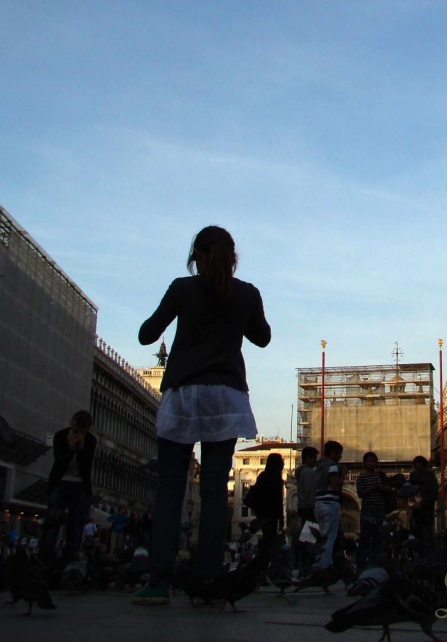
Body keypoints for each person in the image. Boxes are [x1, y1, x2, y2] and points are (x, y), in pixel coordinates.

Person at [132, 225, 271, 605]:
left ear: (197, 256)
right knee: (212, 491)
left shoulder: (182, 288)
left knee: (171, 488)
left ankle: (158, 581)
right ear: (234, 257)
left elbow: (147, 335)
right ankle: (208, 580)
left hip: (184, 394)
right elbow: (263, 337)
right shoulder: (246, 293)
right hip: (225, 395)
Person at [40, 410, 97, 565]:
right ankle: (45, 559)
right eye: (77, 428)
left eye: (83, 430)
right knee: (53, 521)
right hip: (61, 482)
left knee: (76, 525)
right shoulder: (60, 437)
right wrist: (71, 449)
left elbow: (86, 467)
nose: (79, 432)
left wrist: (81, 449)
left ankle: (70, 559)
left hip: (80, 485)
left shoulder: (90, 440)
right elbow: (59, 463)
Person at [245, 452, 285, 570]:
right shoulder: (277, 479)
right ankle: (265, 568)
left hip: (262, 513)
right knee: (270, 542)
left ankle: (261, 566)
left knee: (266, 541)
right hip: (271, 515)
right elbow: (278, 500)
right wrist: (281, 519)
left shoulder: (263, 476)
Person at [313, 440, 344, 570]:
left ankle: (318, 561)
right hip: (330, 503)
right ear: (333, 453)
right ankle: (325, 565)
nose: (340, 457)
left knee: (319, 535)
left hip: (318, 503)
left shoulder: (317, 466)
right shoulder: (332, 466)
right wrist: (343, 474)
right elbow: (335, 484)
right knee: (330, 537)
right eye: (339, 454)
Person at [355, 452, 389, 569]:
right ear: (364, 463)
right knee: (364, 538)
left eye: (373, 461)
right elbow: (360, 494)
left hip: (380, 511)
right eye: (368, 461)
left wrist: (379, 487)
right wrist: (372, 487)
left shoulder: (381, 476)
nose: (371, 463)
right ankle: (362, 564)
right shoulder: (361, 477)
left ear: (376, 462)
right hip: (367, 512)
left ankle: (376, 563)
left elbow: (387, 490)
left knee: (378, 539)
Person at [294, 446, 319, 569]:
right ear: (307, 459)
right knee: (309, 538)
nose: (316, 461)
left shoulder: (301, 472)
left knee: (305, 537)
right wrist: (314, 505)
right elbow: (310, 490)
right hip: (309, 507)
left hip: (302, 506)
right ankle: (307, 564)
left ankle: (303, 562)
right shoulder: (308, 472)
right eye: (314, 458)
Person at [409, 456, 439, 554]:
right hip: (416, 511)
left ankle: (427, 557)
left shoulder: (430, 477)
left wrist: (422, 503)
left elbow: (434, 494)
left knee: (426, 536)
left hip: (426, 511)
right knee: (417, 534)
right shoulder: (413, 476)